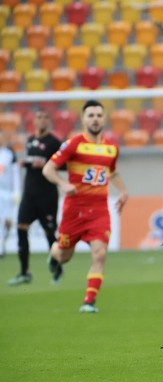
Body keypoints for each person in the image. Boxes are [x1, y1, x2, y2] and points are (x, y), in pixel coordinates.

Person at [42, 100, 129, 313]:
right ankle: (54, 255)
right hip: (75, 210)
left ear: (104, 119)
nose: (95, 119)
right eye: (90, 115)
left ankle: (88, 302)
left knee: (99, 254)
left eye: (99, 115)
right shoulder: (74, 144)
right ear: (83, 119)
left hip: (99, 210)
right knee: (65, 256)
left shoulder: (111, 148)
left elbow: (112, 171)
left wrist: (123, 191)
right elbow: (48, 169)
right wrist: (63, 184)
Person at [8, 110, 63, 285]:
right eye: (39, 117)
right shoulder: (30, 140)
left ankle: (58, 268)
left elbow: (64, 165)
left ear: (49, 121)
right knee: (21, 228)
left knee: (49, 233)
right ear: (34, 121)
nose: (42, 120)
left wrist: (46, 164)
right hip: (29, 194)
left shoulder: (54, 142)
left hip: (47, 195)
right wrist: (26, 163)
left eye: (45, 117)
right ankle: (24, 272)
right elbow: (32, 161)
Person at [0, 132, 21, 258]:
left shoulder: (9, 154)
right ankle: (0, 248)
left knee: (7, 222)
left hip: (8, 193)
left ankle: (3, 243)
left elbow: (15, 174)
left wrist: (17, 191)